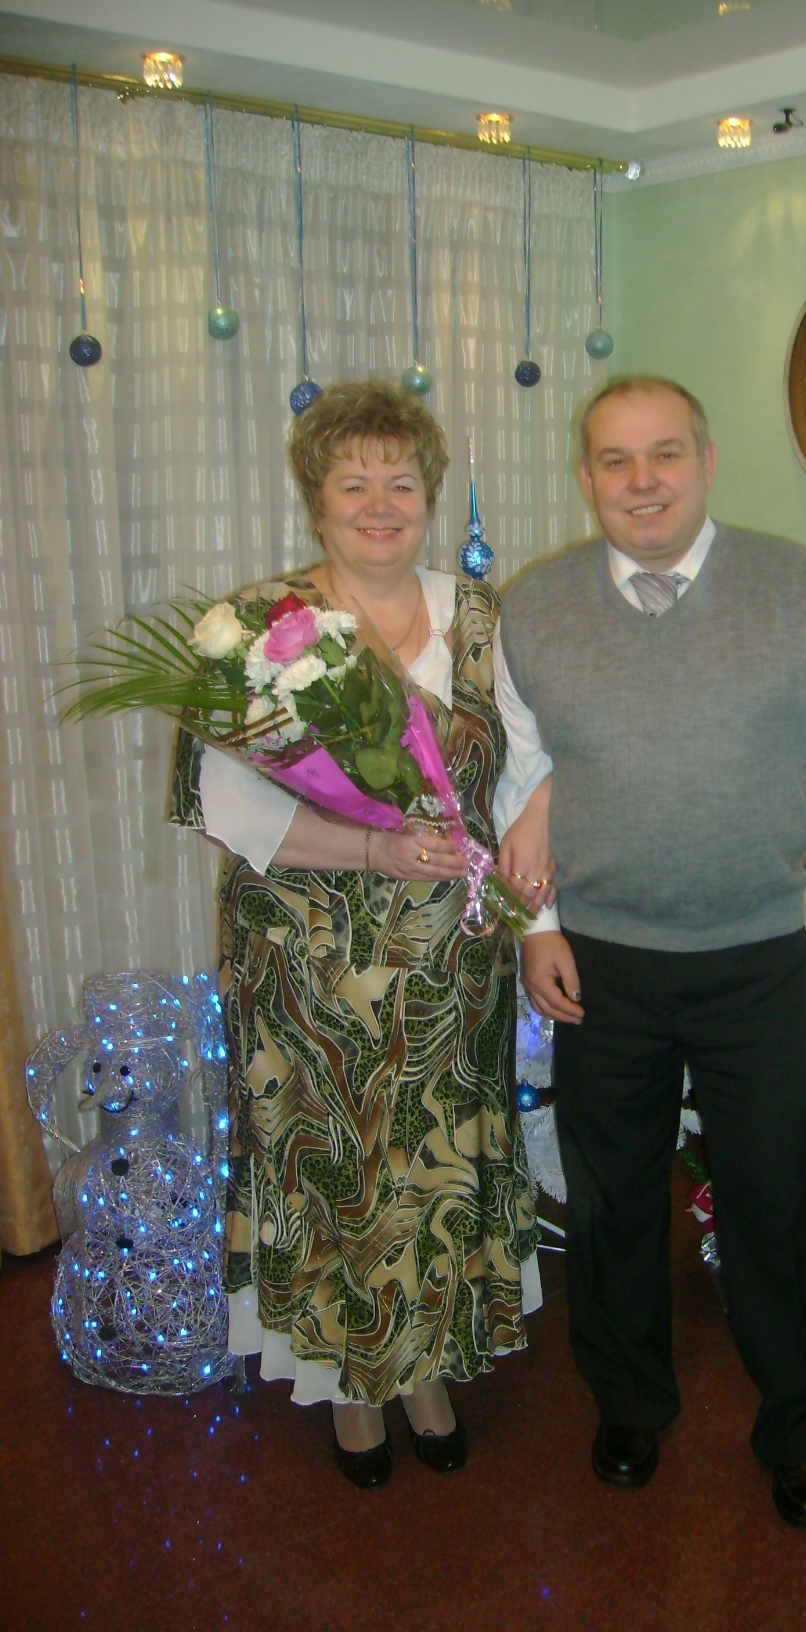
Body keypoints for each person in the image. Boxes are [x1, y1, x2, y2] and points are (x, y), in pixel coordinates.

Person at [492, 376, 806, 1529]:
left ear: (707, 461)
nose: (642, 482)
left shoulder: (802, 591)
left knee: (777, 1205)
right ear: (586, 476)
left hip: (752, 956)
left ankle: (800, 1431)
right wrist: (537, 929)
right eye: (615, 460)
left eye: (665, 454)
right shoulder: (535, 609)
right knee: (612, 1201)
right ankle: (629, 1404)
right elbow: (522, 784)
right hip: (600, 960)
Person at [170, 380, 552, 1489]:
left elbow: (530, 761)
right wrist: (374, 852)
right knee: (336, 1165)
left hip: (449, 962)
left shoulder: (482, 617)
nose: (381, 504)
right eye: (355, 483)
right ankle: (349, 1383)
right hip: (308, 961)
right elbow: (229, 809)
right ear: (316, 498)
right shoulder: (258, 627)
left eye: (401, 482)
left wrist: (529, 842)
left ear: (429, 494)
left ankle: (425, 1367)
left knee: (432, 1168)